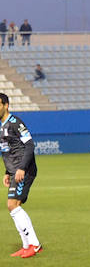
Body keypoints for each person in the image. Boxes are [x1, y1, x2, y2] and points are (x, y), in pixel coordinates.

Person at [0, 93, 42, 258]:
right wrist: (7, 172)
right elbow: (7, 151)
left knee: (12, 204)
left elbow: (30, 145)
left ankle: (35, 245)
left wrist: (22, 168)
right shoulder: (1, 126)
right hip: (15, 171)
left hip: (25, 169)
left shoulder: (15, 123)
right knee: (13, 205)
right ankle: (26, 245)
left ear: (6, 105)